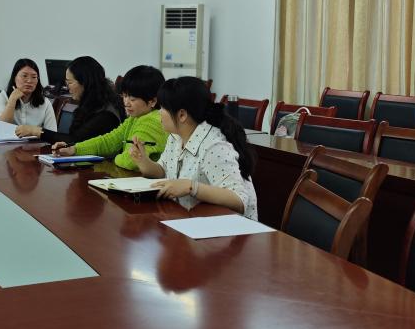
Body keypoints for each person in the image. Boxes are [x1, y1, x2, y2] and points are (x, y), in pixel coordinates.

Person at [129, 76, 258, 220]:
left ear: (182, 115)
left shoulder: (214, 146)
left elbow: (239, 200)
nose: (159, 112)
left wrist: (191, 187)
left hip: (231, 229)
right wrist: (143, 161)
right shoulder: (175, 137)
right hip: (191, 219)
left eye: (163, 108)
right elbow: (163, 171)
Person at [51, 65, 167, 170]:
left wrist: (113, 159)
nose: (126, 103)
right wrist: (74, 149)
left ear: (152, 101)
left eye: (132, 99)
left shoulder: (152, 121)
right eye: (124, 96)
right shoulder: (136, 118)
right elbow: (108, 141)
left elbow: (130, 161)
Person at [15, 56, 122, 144]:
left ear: (85, 82)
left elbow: (75, 141)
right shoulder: (90, 104)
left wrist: (36, 131)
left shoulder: (106, 114)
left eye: (70, 82)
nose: (67, 87)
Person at [0, 59, 58, 130]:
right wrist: (12, 100)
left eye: (34, 77)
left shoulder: (45, 102)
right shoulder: (3, 96)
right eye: (24, 76)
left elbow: (52, 132)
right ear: (14, 78)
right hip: (9, 137)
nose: (29, 81)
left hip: (36, 138)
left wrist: (33, 131)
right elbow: (0, 128)